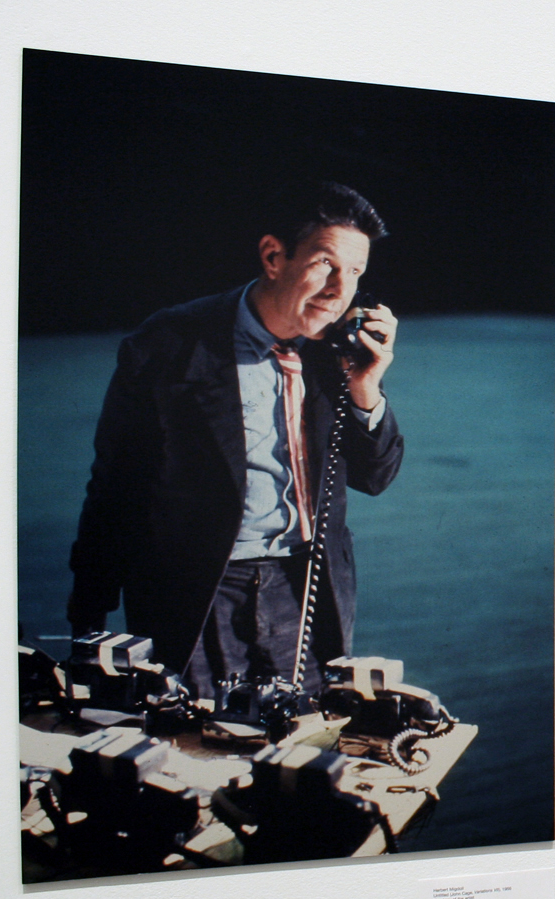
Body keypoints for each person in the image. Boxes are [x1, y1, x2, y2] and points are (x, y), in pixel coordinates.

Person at [67, 181, 404, 700]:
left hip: (305, 587)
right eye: (325, 264)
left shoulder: (339, 352)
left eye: (355, 272)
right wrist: (89, 613)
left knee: (305, 736)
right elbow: (116, 484)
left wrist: (365, 387)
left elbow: (374, 477)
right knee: (195, 736)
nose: (340, 290)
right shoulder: (168, 344)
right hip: (200, 591)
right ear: (273, 257)